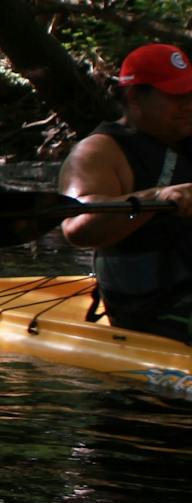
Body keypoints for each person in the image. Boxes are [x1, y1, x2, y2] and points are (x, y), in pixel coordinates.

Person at [59, 43, 192, 341]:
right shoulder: (97, 152)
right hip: (151, 311)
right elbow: (77, 227)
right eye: (175, 96)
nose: (188, 104)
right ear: (134, 97)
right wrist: (156, 199)